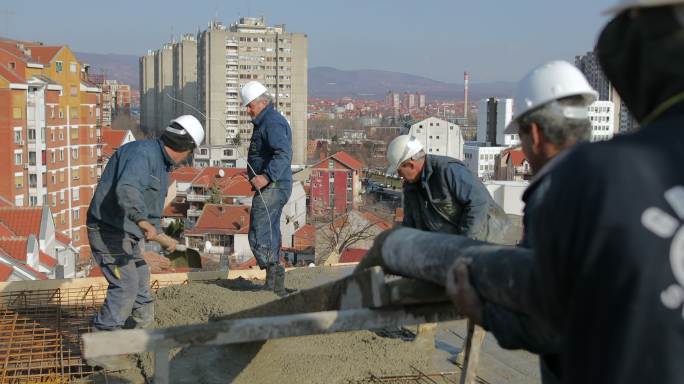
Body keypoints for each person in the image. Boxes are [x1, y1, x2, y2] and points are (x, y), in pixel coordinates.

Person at [360, 1, 684, 382]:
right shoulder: (637, 170)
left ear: (532, 133)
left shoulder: (586, 181)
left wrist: (482, 305)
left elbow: (545, 321)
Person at [86, 115, 203, 367]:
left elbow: (151, 212)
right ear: (186, 148)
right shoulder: (142, 154)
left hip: (127, 233)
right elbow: (127, 189)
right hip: (107, 230)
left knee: (140, 283)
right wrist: (142, 222)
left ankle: (135, 336)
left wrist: (160, 237)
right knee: (126, 285)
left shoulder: (161, 167)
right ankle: (98, 348)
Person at [386, 135, 509, 243]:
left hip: (486, 237)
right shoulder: (410, 187)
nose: (399, 176)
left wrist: (464, 244)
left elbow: (478, 203)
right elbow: (410, 225)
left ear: (411, 165)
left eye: (400, 172)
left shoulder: (448, 170)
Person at [241, 81, 293, 296]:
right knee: (269, 231)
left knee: (260, 232)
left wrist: (266, 176)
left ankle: (274, 283)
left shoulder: (271, 122)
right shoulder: (265, 122)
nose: (247, 110)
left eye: (250, 105)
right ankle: (274, 285)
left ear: (262, 103)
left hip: (274, 185)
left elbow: (283, 153)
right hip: (273, 185)